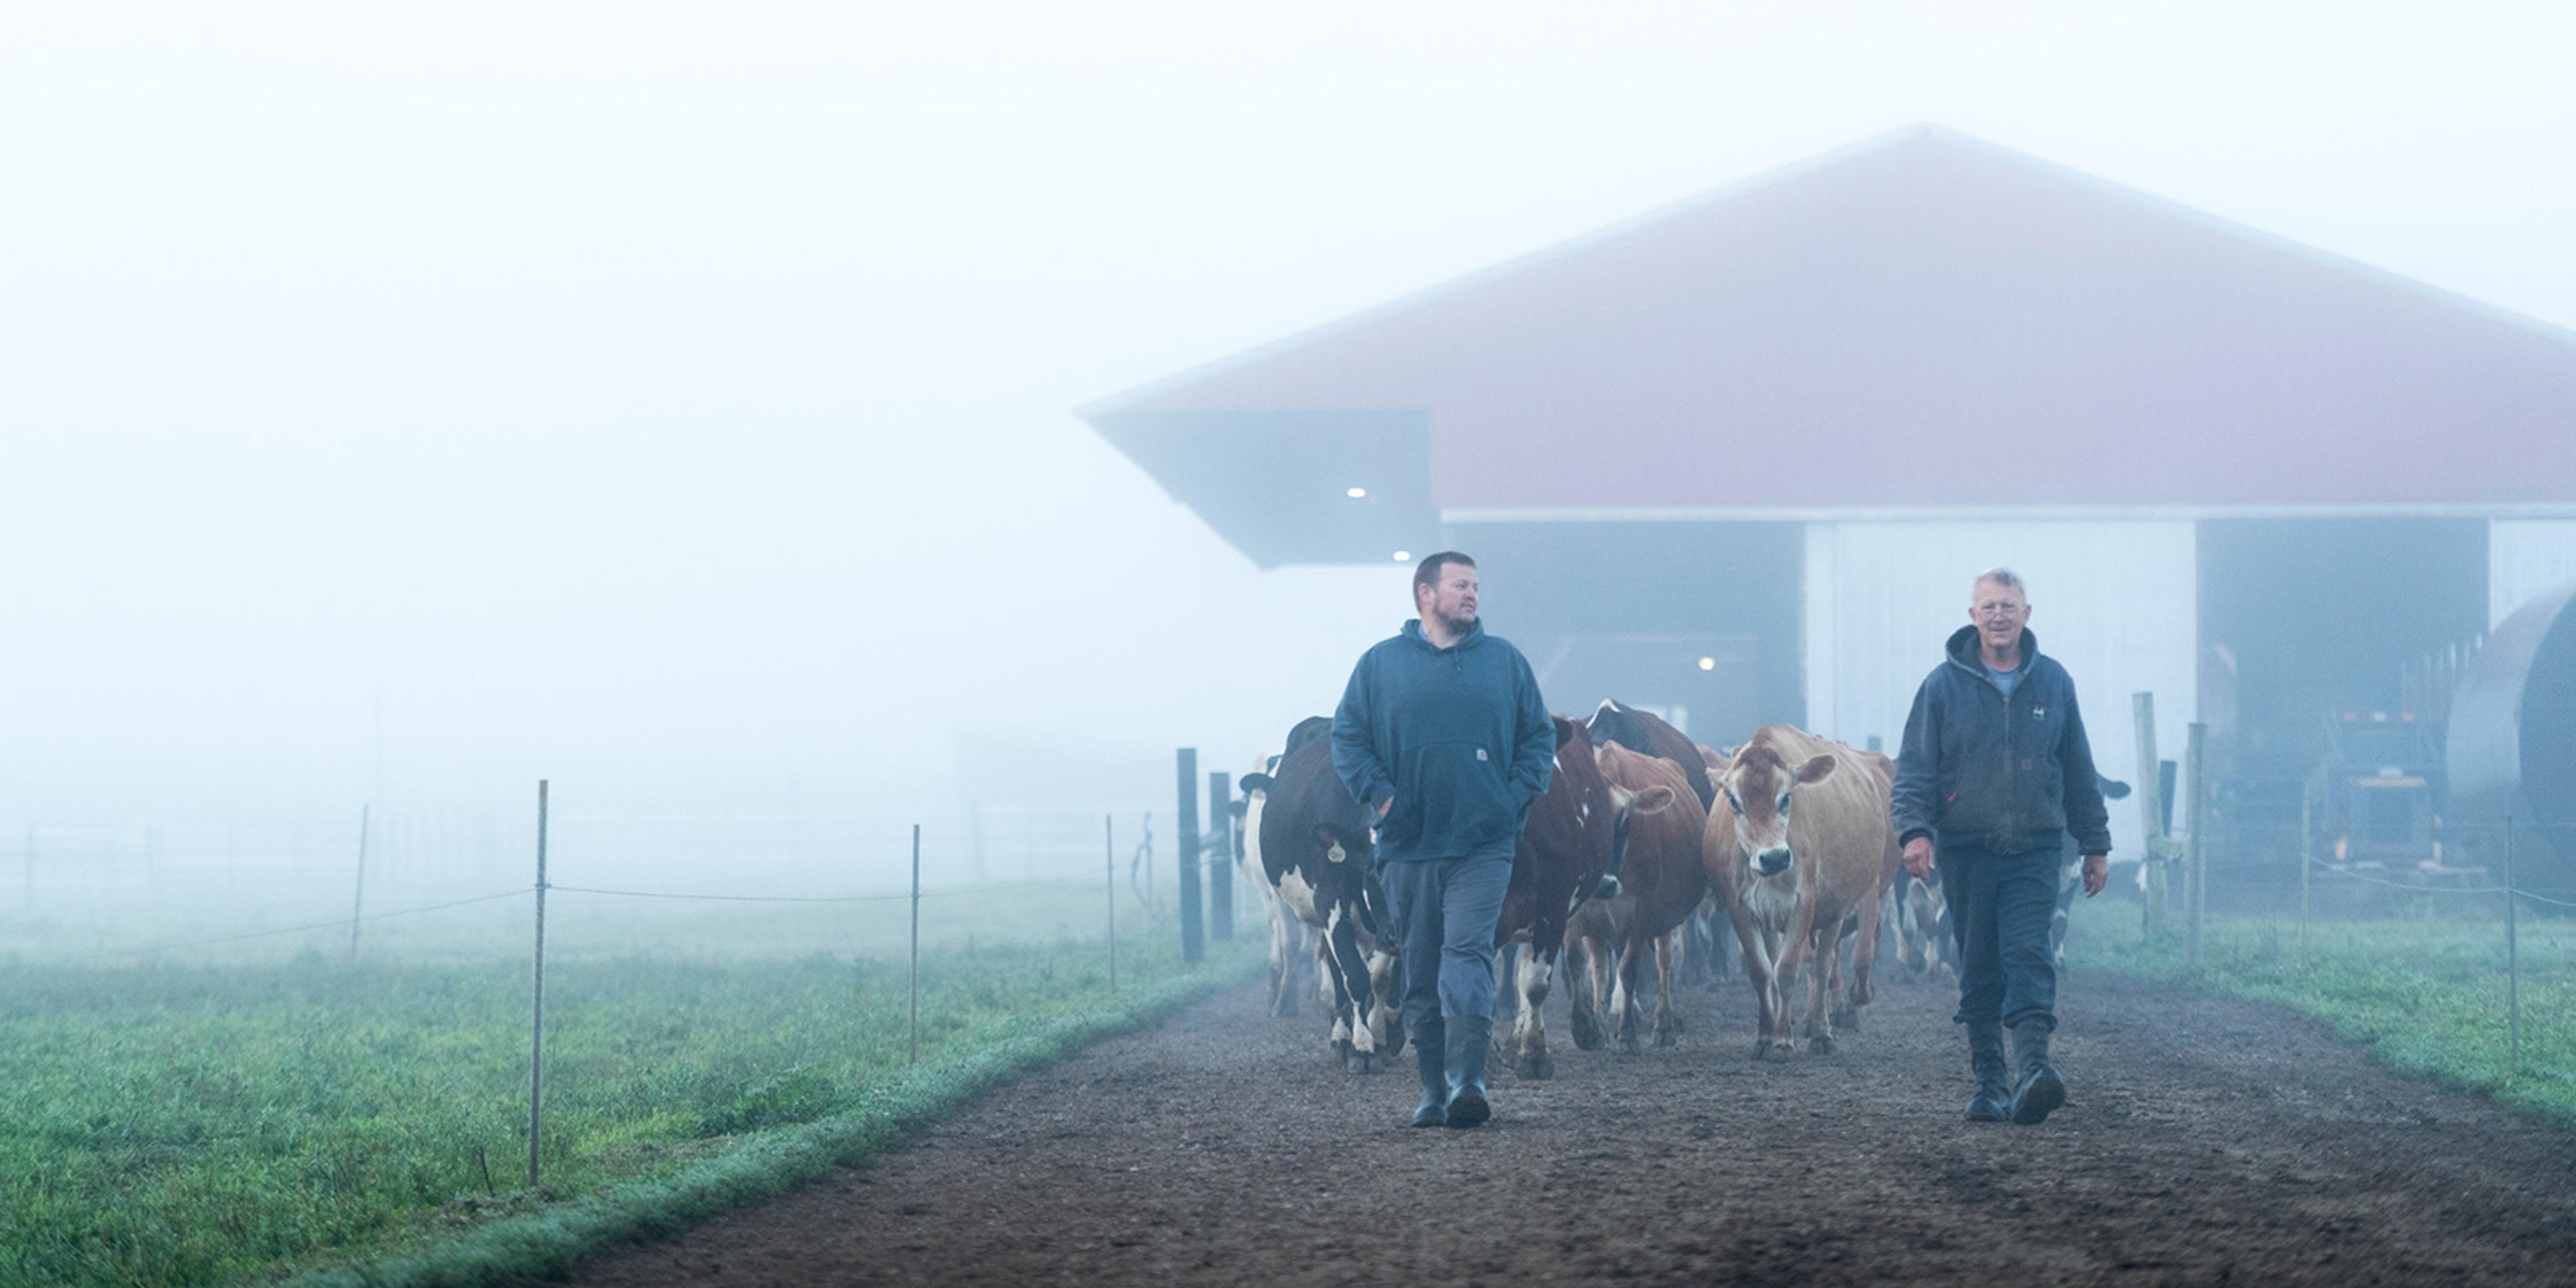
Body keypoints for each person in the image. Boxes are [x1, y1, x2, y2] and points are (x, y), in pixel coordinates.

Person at [1330, 551, 1554, 1129]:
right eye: (1460, 585)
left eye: (1476, 585)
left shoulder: (1505, 663)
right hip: (1407, 843)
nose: (1473, 594)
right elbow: (1348, 737)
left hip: (1484, 842)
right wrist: (1381, 797)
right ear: (1426, 595)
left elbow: (1539, 737)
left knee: (1469, 954)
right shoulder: (1380, 666)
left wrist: (1511, 798)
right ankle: (1432, 1087)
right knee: (1421, 967)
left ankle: (1468, 1081)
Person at [1892, 568, 2111, 1126]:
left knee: (2028, 952)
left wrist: (2094, 842)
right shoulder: (1941, 687)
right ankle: (1990, 1082)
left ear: (2026, 614)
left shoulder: (2054, 683)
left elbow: (2079, 768)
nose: (1998, 615)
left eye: (2008, 606)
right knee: (1979, 963)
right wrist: (1915, 832)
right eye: (1988, 606)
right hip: (1967, 848)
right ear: (1973, 616)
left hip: (2037, 846)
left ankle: (2034, 1070)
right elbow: (1915, 769)